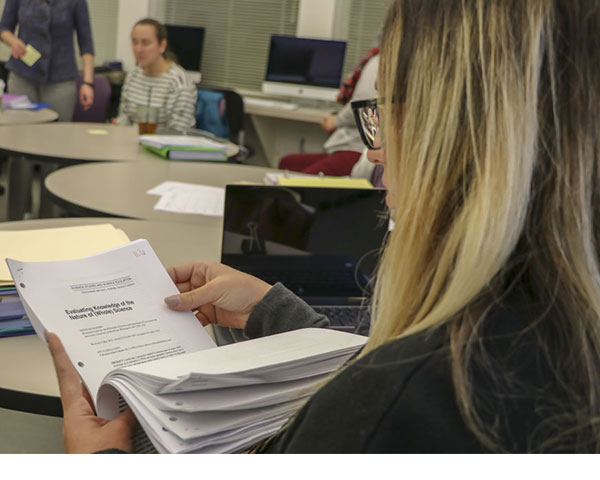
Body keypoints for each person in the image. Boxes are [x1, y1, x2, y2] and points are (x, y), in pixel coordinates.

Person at [47, 0, 600, 452]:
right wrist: (271, 310)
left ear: (453, 136)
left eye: (386, 113)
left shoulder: (394, 408)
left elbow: (374, 400)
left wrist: (104, 463)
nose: (376, 152)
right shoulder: (551, 340)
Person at [278, 52, 379, 176]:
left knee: (293, 185)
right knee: (287, 163)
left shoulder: (379, 61)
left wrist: (336, 121)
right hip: (351, 146)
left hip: (357, 150)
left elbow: (364, 103)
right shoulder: (379, 58)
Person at [0, 0, 95, 121]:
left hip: (61, 81)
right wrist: (12, 41)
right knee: (20, 133)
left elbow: (86, 42)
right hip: (22, 78)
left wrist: (88, 83)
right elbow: (3, 28)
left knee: (57, 134)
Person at [113, 18, 197, 134]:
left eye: (145, 43)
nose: (139, 49)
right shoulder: (133, 76)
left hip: (164, 148)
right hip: (130, 145)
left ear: (162, 45)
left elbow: (178, 132)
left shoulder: (179, 81)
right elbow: (125, 118)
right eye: (135, 42)